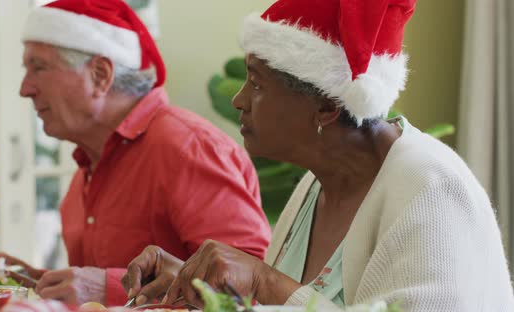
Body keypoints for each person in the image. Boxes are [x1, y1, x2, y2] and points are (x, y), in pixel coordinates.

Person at [122, 0, 514, 310]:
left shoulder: (430, 188)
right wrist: (200, 289)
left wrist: (263, 280)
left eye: (257, 83)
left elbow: (284, 294)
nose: (240, 100)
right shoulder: (316, 182)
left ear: (327, 105)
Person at [0, 0, 272, 307]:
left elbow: (249, 293)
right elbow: (92, 289)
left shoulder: (188, 148)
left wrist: (108, 289)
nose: (25, 88)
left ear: (100, 74)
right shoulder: (87, 168)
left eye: (38, 67)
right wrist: (34, 282)